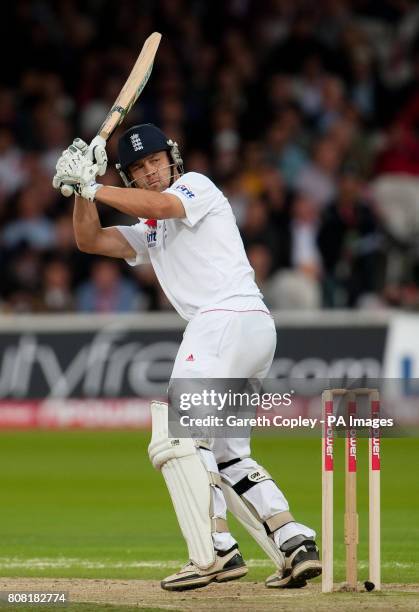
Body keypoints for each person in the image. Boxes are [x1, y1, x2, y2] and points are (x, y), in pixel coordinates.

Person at [52, 124, 321, 591]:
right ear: (130, 175)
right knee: (227, 453)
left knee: (182, 439)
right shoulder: (150, 230)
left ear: (172, 159)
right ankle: (293, 540)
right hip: (248, 329)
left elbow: (163, 205)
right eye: (138, 167)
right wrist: (81, 191)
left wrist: (94, 184)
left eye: (155, 161)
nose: (151, 172)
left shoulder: (196, 186)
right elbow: (90, 241)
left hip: (223, 320)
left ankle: (216, 549)